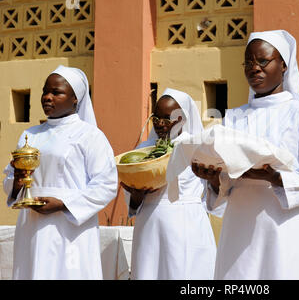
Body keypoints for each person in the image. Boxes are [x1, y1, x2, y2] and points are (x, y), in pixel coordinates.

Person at [191, 30, 299, 279]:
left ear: (283, 66)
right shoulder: (234, 118)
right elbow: (227, 181)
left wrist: (277, 179)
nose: (254, 68)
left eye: (262, 61)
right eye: (248, 62)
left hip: (284, 225)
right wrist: (213, 180)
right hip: (240, 226)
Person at [2, 65, 118, 279]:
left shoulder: (90, 136)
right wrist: (17, 182)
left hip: (70, 226)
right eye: (45, 91)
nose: (47, 97)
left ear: (75, 98)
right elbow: (10, 179)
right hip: (32, 225)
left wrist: (64, 203)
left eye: (56, 92)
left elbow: (106, 184)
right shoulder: (30, 134)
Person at [121, 88, 217, 280]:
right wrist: (135, 198)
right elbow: (131, 202)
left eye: (168, 119)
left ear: (182, 118)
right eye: (156, 119)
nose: (161, 125)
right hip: (149, 226)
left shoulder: (198, 148)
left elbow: (214, 196)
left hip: (186, 226)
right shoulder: (143, 150)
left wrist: (214, 181)